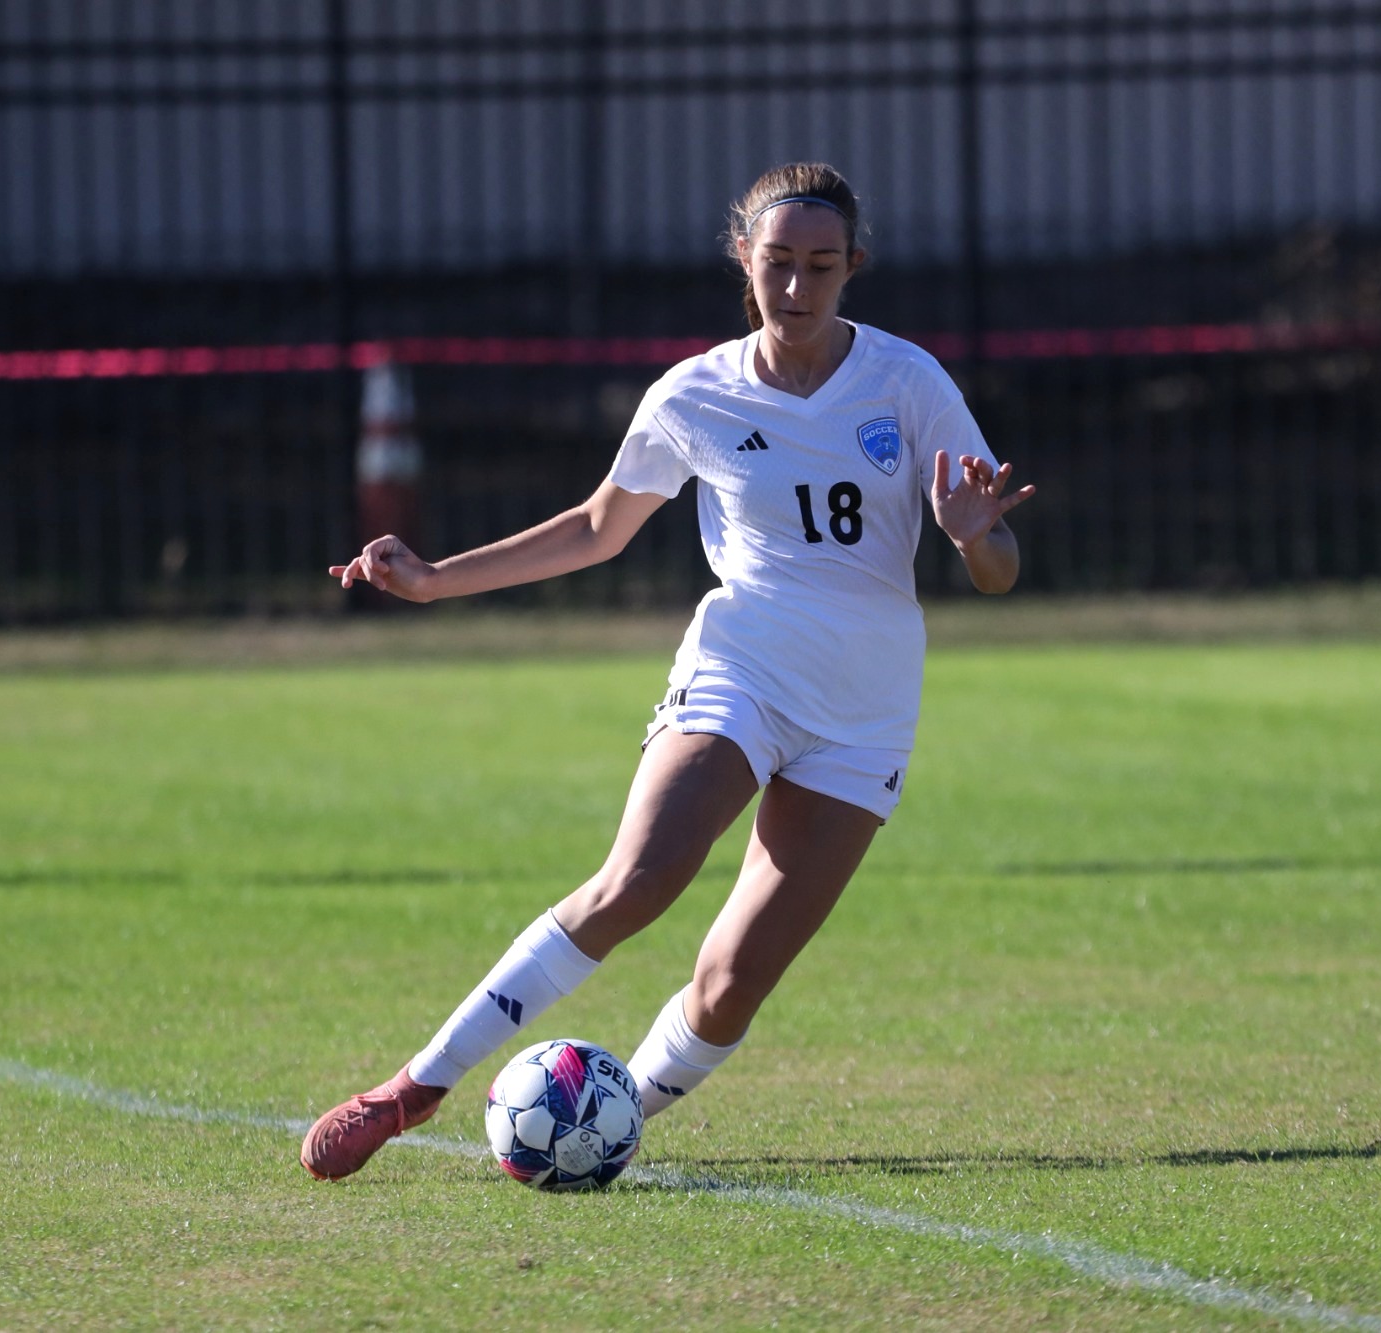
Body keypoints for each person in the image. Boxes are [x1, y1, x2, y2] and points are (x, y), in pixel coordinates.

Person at [301, 162, 1035, 1181]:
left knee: (731, 982)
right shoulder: (693, 392)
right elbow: (598, 526)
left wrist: (970, 538)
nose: (795, 287)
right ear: (743, 258)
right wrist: (433, 581)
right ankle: (413, 1085)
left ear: (852, 267)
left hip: (864, 709)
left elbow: (998, 570)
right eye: (776, 262)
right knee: (637, 880)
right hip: (741, 667)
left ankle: (610, 1124)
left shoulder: (907, 383)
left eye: (820, 266)